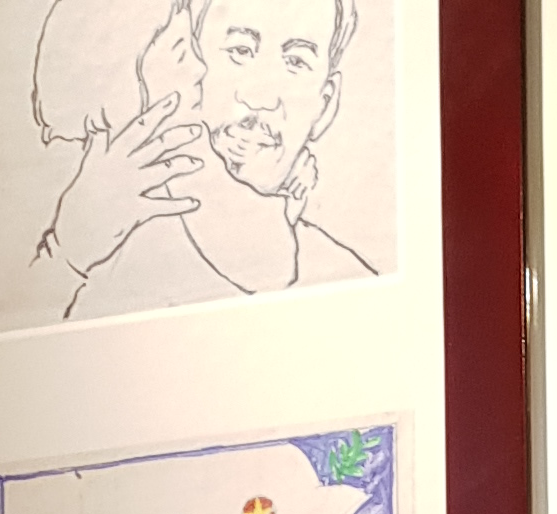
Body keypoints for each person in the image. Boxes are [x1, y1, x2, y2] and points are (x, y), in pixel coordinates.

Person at [39, 0, 375, 322]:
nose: (261, 98)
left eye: (296, 62)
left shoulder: (352, 289)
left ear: (325, 104)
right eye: (240, 51)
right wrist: (65, 255)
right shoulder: (89, 245)